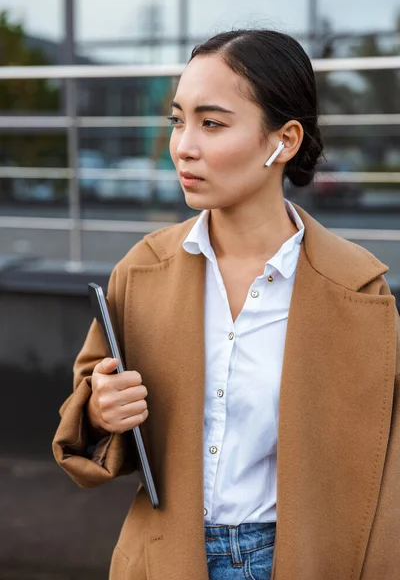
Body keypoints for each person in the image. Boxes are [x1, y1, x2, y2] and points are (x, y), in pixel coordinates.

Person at [53, 29, 400, 580]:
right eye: (177, 120)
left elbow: (384, 482)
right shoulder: (141, 272)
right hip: (167, 558)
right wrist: (101, 412)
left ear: (283, 141)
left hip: (300, 561)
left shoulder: (357, 289)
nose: (184, 145)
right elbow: (86, 423)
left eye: (211, 123)